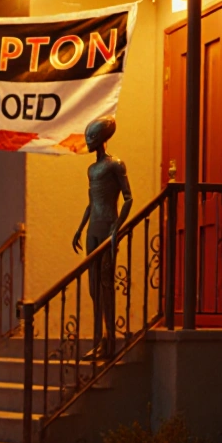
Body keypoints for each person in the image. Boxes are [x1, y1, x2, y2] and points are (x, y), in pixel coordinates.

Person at [71, 116, 132, 360]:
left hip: (107, 226)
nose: (90, 143)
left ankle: (110, 340)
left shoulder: (115, 165)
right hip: (93, 229)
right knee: (93, 287)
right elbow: (91, 202)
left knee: (106, 284)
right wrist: (79, 228)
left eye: (93, 138)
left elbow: (128, 198)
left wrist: (117, 226)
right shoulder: (91, 170)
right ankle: (98, 340)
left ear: (103, 138)